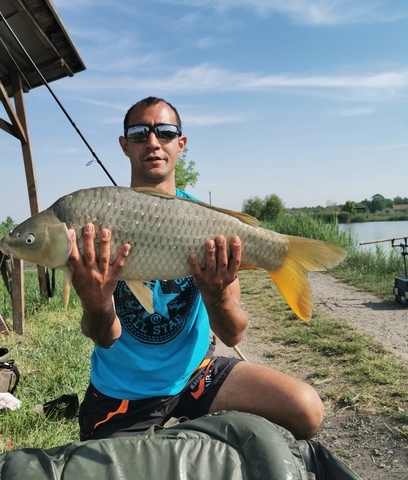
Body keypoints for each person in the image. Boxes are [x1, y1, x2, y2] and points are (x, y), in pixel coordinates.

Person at [68, 96, 324, 441]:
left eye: (165, 132)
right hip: (123, 390)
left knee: (306, 409)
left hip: (196, 374)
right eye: (140, 133)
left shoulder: (207, 223)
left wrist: (217, 296)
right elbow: (105, 337)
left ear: (181, 143)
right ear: (125, 145)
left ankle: (190, 431)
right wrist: (96, 303)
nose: (153, 142)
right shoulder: (98, 224)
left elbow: (233, 335)